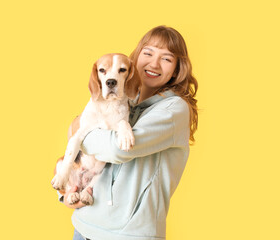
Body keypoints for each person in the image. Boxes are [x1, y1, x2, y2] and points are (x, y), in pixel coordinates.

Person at [58, 25, 198, 240]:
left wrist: (79, 128)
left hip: (129, 235)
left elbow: (116, 149)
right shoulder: (123, 100)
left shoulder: (173, 109)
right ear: (136, 57)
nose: (154, 63)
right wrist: (68, 190)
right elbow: (87, 153)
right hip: (85, 223)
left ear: (178, 69)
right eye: (148, 53)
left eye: (166, 59)